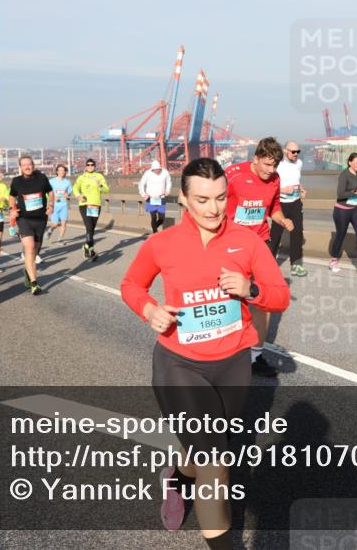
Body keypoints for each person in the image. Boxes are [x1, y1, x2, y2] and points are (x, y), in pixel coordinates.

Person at [120, 158, 290, 546]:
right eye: (202, 200)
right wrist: (150, 310)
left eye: (220, 198)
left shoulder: (246, 241)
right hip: (179, 365)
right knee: (216, 464)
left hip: (232, 365)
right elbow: (132, 284)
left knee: (204, 448)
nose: (213, 209)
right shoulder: (161, 243)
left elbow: (280, 296)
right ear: (182, 199)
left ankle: (178, 476)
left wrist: (251, 291)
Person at [225, 137, 295, 378]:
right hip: (231, 243)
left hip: (260, 242)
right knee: (231, 297)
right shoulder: (233, 174)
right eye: (266, 165)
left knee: (261, 299)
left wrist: (281, 219)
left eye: (274, 166)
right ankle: (227, 350)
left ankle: (255, 357)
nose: (271, 171)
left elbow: (274, 207)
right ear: (255, 159)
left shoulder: (275, 179)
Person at [9, 155, 53, 295]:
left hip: (40, 219)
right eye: (24, 165)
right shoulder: (16, 181)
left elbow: (50, 192)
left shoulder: (42, 178)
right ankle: (34, 283)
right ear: (20, 167)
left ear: (33, 165)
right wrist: (12, 209)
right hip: (24, 219)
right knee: (30, 247)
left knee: (35, 251)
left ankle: (28, 271)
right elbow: (12, 196)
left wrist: (51, 204)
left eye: (29, 164)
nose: (27, 167)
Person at [268, 140, 307, 276]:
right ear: (285, 151)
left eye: (298, 151)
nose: (296, 154)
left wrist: (301, 188)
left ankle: (296, 264)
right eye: (293, 151)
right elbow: (270, 185)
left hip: (296, 203)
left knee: (297, 233)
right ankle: (269, 263)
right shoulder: (278, 166)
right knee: (275, 234)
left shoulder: (299, 164)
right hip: (281, 204)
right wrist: (284, 190)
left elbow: (296, 180)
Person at [329, 152, 357, 274]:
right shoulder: (344, 175)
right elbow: (340, 194)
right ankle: (333, 261)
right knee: (341, 235)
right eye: (356, 162)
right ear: (349, 162)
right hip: (342, 210)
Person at [73, 158, 109, 260]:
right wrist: (78, 195)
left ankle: (87, 247)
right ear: (85, 166)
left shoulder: (99, 176)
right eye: (88, 165)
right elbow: (75, 187)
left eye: (92, 165)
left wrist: (100, 185)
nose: (90, 166)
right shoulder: (82, 177)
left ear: (95, 166)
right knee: (89, 227)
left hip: (96, 205)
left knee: (92, 229)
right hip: (85, 205)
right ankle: (90, 250)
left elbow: (106, 190)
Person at [138, 159, 171, 234]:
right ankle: (155, 233)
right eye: (155, 170)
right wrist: (143, 194)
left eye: (159, 170)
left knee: (162, 218)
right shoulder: (147, 173)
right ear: (152, 169)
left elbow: (169, 182)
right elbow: (141, 184)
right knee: (153, 217)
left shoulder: (165, 172)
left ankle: (154, 227)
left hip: (161, 198)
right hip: (150, 198)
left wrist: (167, 190)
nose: (157, 171)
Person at [47, 164, 72, 245]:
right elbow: (47, 192)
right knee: (55, 224)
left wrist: (67, 194)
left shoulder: (67, 182)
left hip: (64, 205)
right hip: (54, 205)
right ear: (57, 171)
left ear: (65, 172)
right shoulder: (51, 181)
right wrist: (53, 198)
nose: (61, 172)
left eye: (63, 170)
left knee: (64, 223)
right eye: (60, 170)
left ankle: (60, 239)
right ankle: (50, 230)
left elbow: (70, 192)